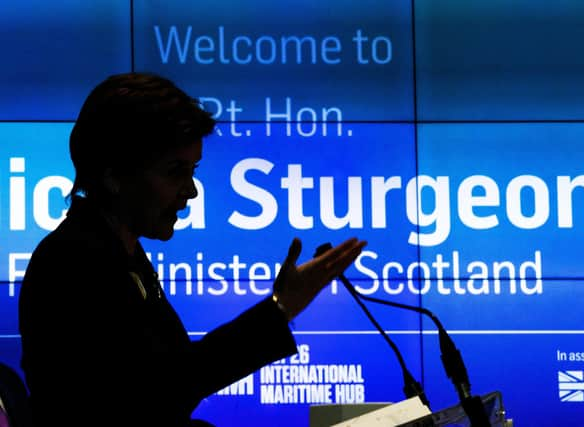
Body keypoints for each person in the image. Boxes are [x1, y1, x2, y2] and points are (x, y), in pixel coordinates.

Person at [18, 72, 366, 427]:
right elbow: (154, 397)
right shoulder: (73, 263)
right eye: (174, 172)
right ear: (114, 175)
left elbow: (171, 380)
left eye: (192, 170)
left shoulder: (121, 253)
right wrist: (279, 309)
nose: (191, 191)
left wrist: (281, 308)